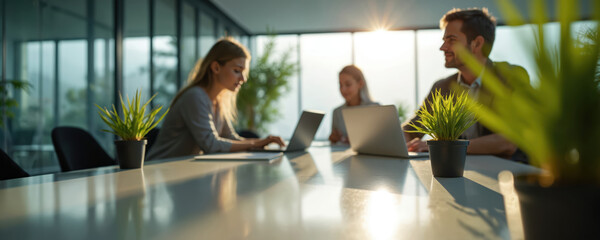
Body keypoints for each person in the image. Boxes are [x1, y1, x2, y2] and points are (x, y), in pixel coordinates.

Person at [402, 8, 530, 159]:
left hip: (506, 173)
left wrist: (446, 147)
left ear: (477, 44)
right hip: (456, 171)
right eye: (444, 41)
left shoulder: (510, 77)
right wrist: (397, 140)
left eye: (451, 40)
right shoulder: (442, 87)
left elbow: (508, 141)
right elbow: (410, 131)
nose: (443, 48)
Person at [147, 38, 285, 160]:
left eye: (244, 72)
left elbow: (230, 139)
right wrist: (257, 143)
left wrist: (261, 145)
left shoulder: (218, 101)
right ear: (216, 67)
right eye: (237, 71)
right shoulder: (195, 96)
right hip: (158, 171)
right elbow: (211, 145)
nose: (243, 79)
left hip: (178, 171)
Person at [329, 65, 378, 144]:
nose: (343, 89)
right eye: (340, 85)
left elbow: (380, 140)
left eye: (348, 85)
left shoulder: (376, 108)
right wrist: (333, 138)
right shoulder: (337, 112)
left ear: (360, 84)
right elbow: (334, 141)